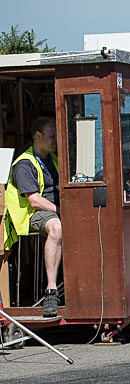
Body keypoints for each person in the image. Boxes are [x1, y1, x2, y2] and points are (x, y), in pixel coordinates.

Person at [3, 116, 62, 317]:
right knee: (56, 227)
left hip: (54, 209)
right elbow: (34, 200)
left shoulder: (53, 159)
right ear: (37, 135)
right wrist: (61, 210)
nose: (56, 140)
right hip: (31, 215)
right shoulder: (24, 163)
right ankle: (52, 291)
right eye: (52, 136)